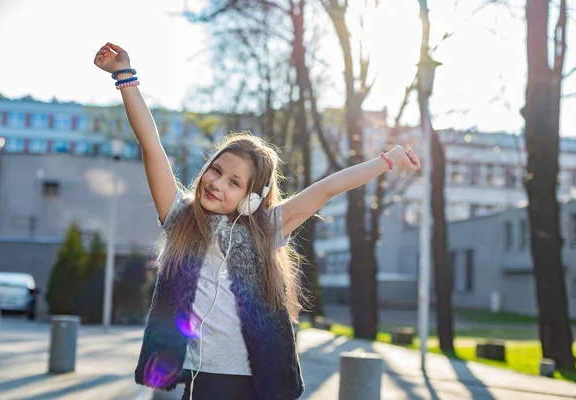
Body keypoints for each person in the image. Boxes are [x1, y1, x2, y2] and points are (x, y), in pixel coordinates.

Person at [94, 42, 421, 400]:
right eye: (215, 171)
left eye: (233, 182)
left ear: (252, 199)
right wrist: (125, 75)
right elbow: (152, 146)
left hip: (254, 381)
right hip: (199, 376)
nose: (216, 184)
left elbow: (328, 188)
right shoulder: (179, 215)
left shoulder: (266, 228)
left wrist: (387, 161)